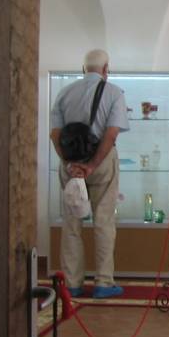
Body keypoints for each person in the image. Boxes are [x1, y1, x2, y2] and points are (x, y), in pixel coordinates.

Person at [50, 49, 129, 298]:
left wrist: (69, 163)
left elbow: (55, 134)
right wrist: (92, 165)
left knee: (71, 225)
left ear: (83, 68)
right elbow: (111, 133)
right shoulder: (114, 93)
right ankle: (103, 283)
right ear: (106, 69)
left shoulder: (64, 93)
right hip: (102, 163)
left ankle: (72, 283)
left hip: (71, 165)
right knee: (103, 222)